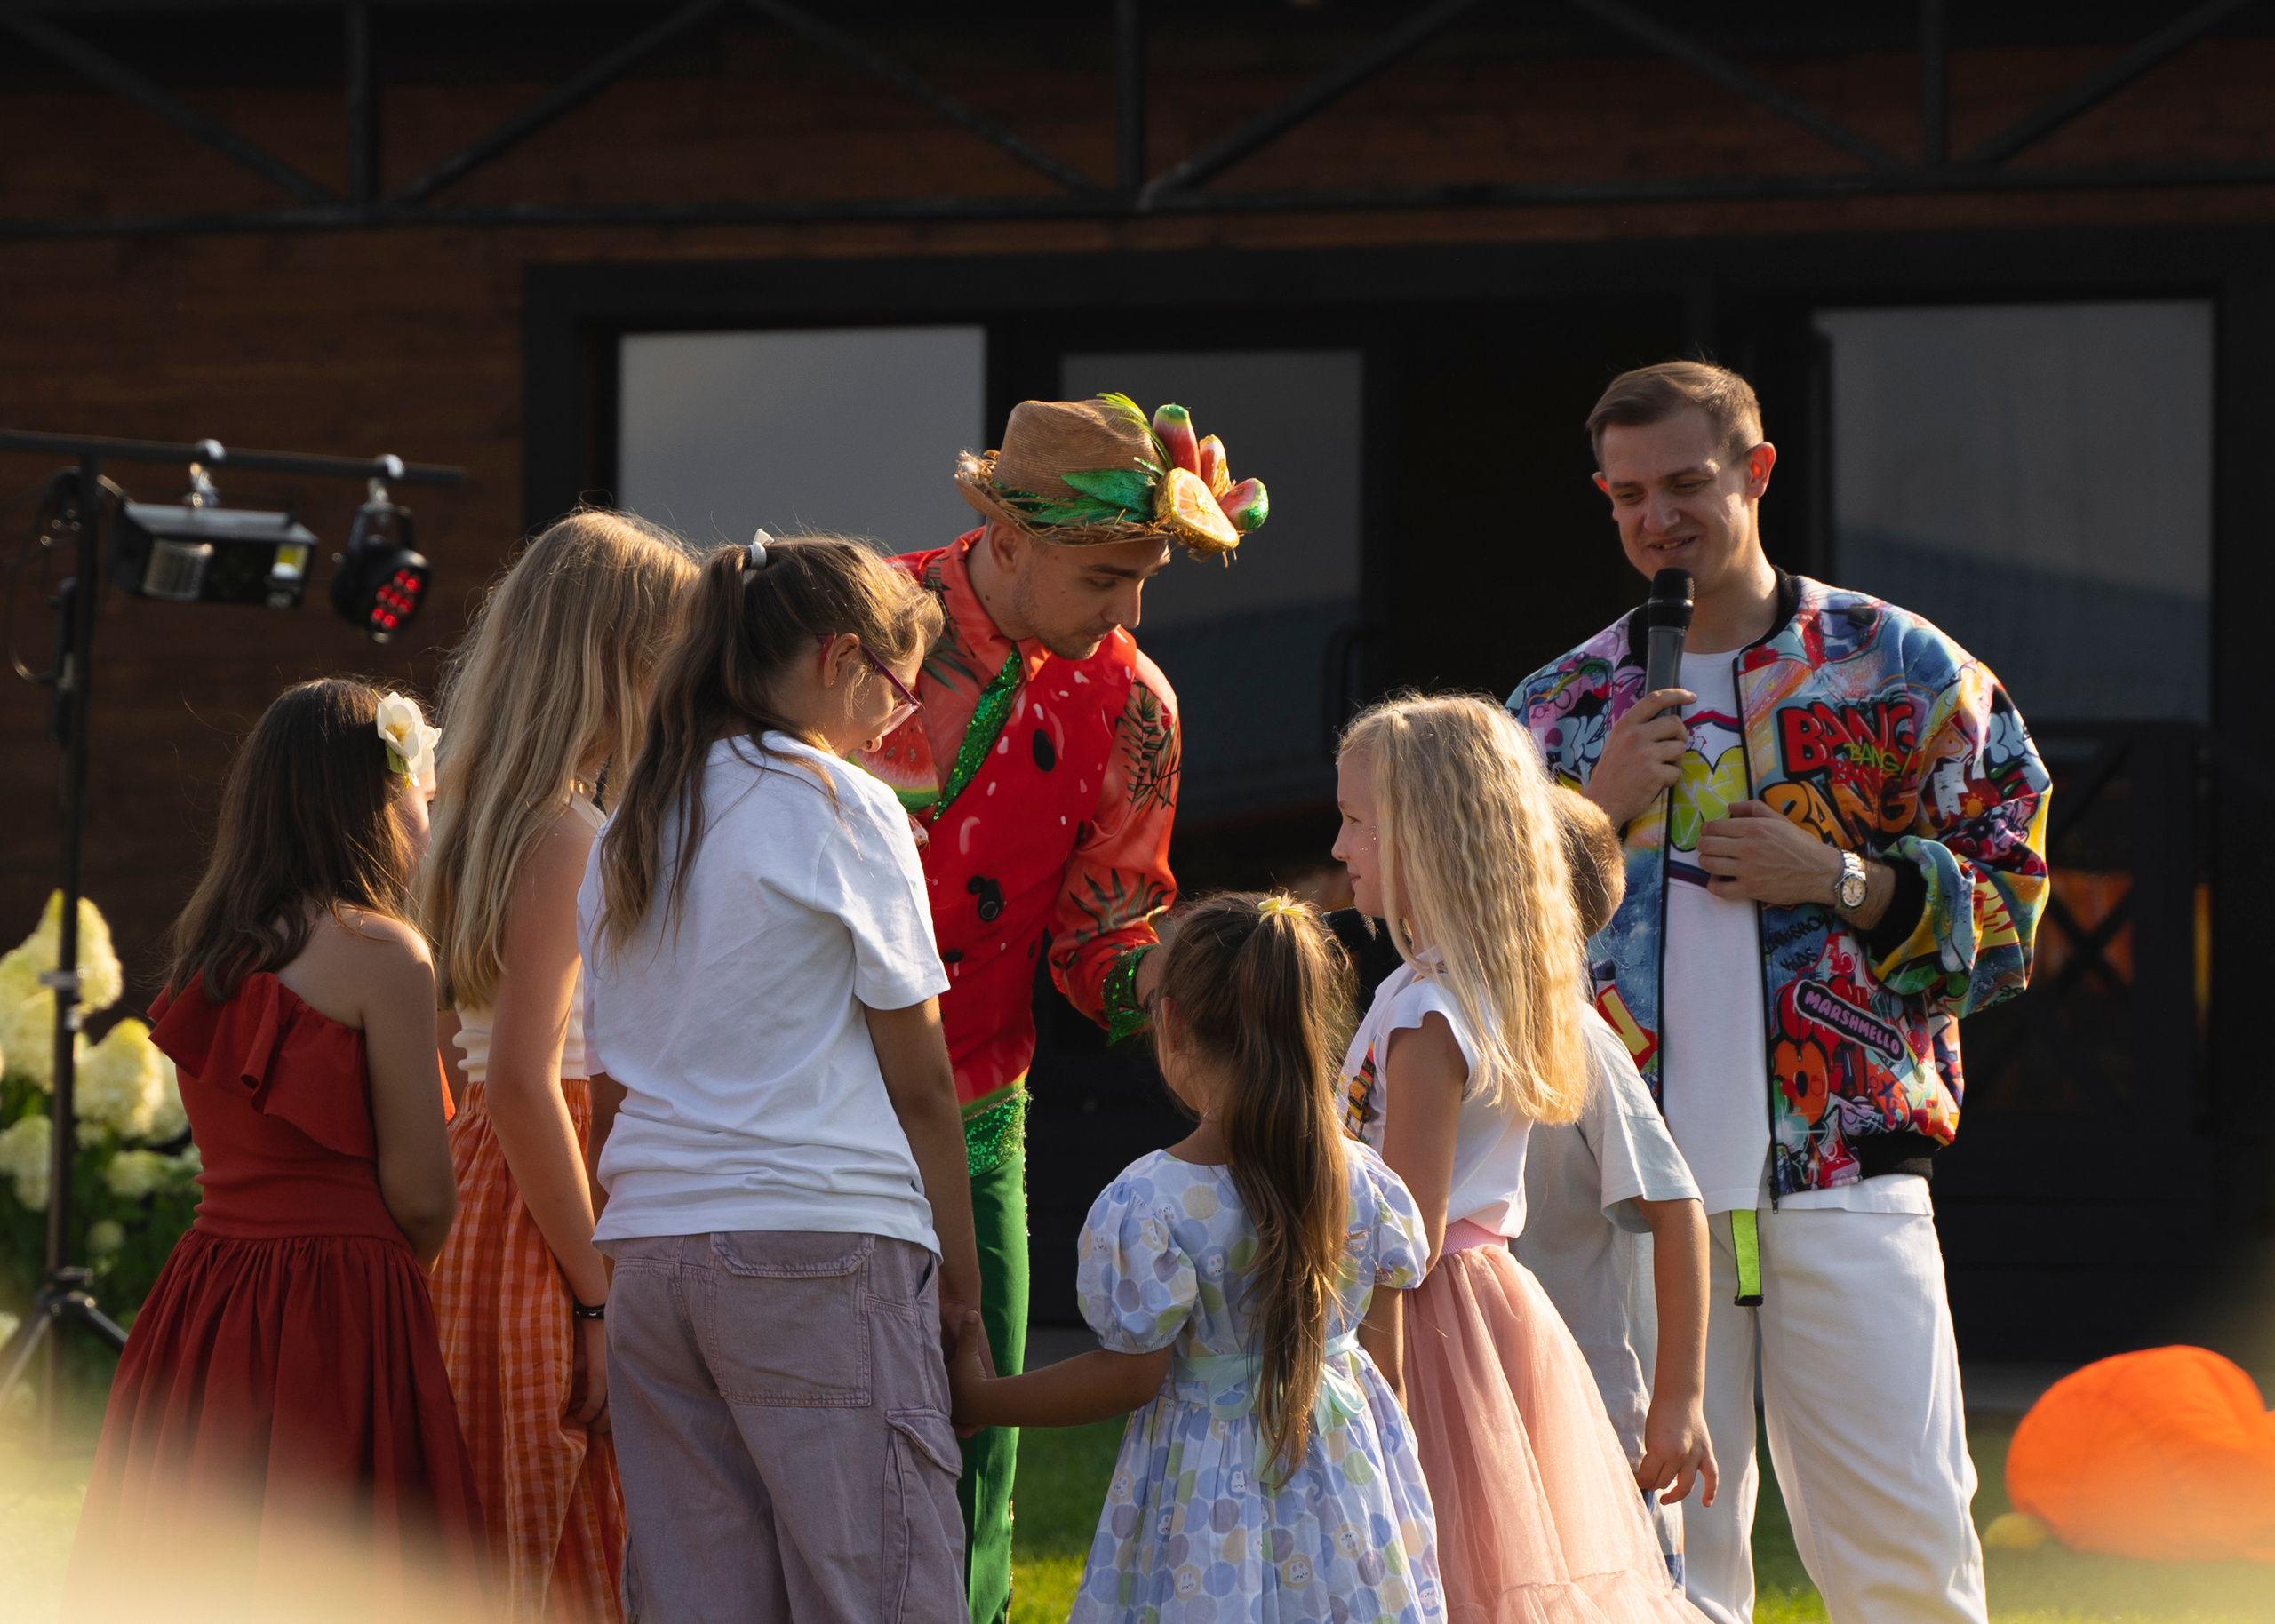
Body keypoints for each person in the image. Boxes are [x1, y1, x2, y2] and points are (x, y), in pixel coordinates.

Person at [1510, 361, 2052, 1624]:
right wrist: (1595, 810)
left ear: (1755, 472)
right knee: (1653, 1566)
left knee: (1906, 1548)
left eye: (1687, 483)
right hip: (1631, 1186)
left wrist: (1843, 880)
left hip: (1845, 1170)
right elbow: (1474, 942)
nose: (1659, 519)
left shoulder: (1898, 667)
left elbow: (2016, 900)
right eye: (1629, 495)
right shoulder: (1557, 708)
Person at [856, 391, 1266, 1623]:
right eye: (1104, 577)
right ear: (1008, 538)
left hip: (977, 1103)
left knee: (971, 1433)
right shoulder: (857, 624)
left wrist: (1182, 986)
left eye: (1146, 579)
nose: (1129, 613)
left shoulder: (1137, 706)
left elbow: (1102, 932)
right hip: (796, 1102)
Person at [579, 534, 981, 1622]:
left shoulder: (628, 828)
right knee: (878, 1587)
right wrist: (961, 1287)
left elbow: (608, 1086)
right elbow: (922, 1082)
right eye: (896, 686)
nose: (898, 720)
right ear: (837, 656)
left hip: (653, 1255)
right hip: (816, 1242)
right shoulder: (841, 806)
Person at [68, 680, 483, 1614]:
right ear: (373, 802)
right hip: (341, 1296)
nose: (425, 814)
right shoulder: (386, 953)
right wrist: (384, 1275)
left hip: (208, 1295)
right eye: (415, 791)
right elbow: (424, 1194)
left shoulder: (214, 951)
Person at [946, 894, 1441, 1624]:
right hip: (1345, 1491)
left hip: (1208, 1506)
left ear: (1171, 1023)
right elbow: (1387, 1376)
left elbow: (1129, 1375)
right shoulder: (1367, 1184)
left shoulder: (1150, 1202)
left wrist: (982, 1400)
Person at [1333, 693, 1709, 1624]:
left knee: (1437, 1571)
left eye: (1355, 822)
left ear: (1422, 839)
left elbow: (1405, 1236)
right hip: (1477, 1315)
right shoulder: (1446, 992)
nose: (1339, 848)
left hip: (1421, 1326)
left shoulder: (1429, 1014)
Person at [420, 511, 697, 1621]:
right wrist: (595, 1296)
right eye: (671, 656)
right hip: (546, 1204)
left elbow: (459, 1047)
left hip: (488, 1187)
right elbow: (527, 1079)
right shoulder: (568, 833)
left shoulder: (478, 812)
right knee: (556, 1513)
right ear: (617, 660)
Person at [1515, 790, 1714, 1586]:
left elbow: (1678, 1208)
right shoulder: (1427, 1019)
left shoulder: (1577, 1041)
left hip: (1594, 1422)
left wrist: (1678, 1401)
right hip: (1491, 1402)